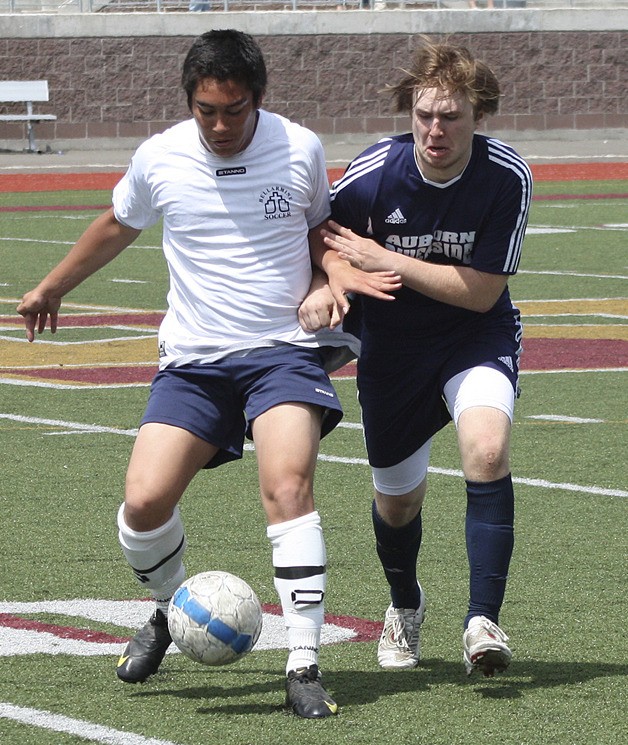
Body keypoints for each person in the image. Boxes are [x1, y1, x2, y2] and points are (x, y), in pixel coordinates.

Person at [17, 29, 400, 718]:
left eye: (235, 110)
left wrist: (329, 278)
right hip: (193, 362)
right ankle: (172, 609)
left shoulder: (299, 148)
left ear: (260, 98)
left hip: (281, 352)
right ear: (188, 102)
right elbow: (117, 223)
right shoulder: (160, 156)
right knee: (143, 504)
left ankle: (303, 663)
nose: (221, 126)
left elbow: (320, 229)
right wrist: (51, 287)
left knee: (288, 485)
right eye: (207, 111)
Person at [319, 39, 532, 677]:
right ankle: (404, 603)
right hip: (392, 348)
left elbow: (483, 292)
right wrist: (331, 282)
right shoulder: (371, 175)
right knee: (397, 501)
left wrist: (388, 260)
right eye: (424, 115)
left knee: (487, 452)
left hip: (475, 335)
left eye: (451, 117)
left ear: (479, 115)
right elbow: (320, 239)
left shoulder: (506, 176)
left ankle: (482, 621)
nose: (435, 130)